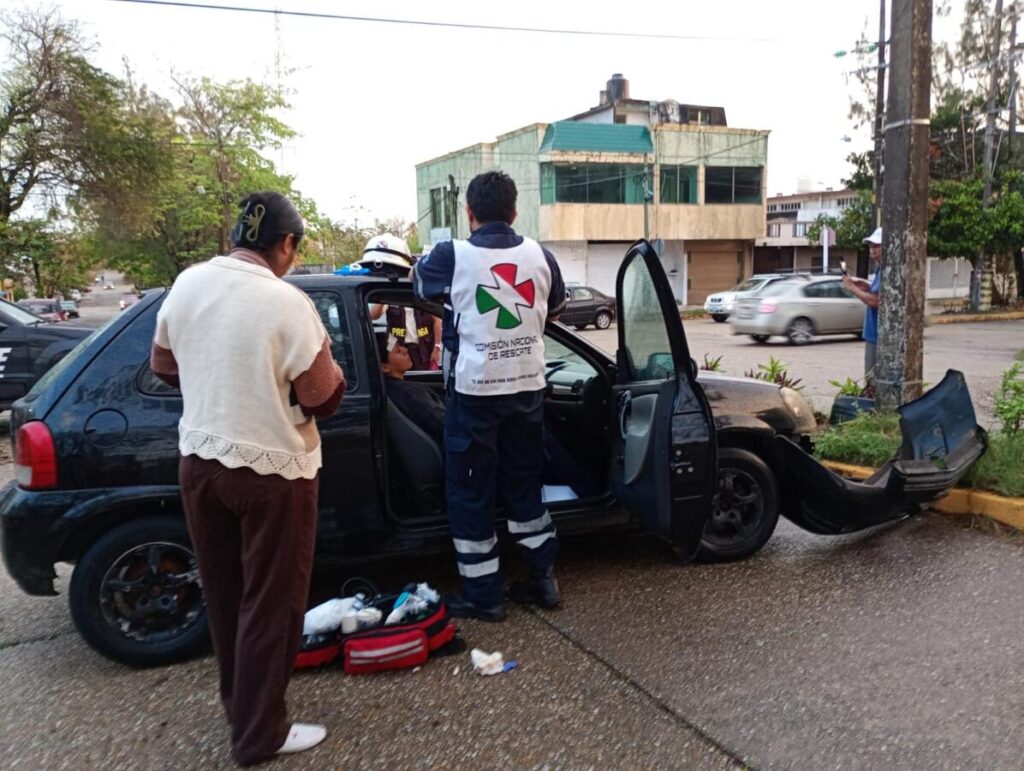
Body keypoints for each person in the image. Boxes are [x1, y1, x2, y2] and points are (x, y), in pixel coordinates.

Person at [150, 192, 345, 765]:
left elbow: (164, 366)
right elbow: (319, 395)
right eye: (293, 248)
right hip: (273, 472)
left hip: (201, 462)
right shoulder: (286, 302)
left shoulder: (187, 284)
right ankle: (260, 735)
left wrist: (220, 386)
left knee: (227, 593)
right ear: (285, 244)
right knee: (272, 601)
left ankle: (241, 706)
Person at [412, 170, 566, 621]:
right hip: (528, 390)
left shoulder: (450, 255)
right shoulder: (541, 256)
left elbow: (418, 285)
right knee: (524, 486)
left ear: (469, 212)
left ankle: (483, 596)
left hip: (475, 393)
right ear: (515, 212)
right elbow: (553, 308)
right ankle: (542, 579)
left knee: (471, 492)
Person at [363, 234, 443, 371]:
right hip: (397, 350)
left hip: (422, 348)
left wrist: (437, 347)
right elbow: (374, 315)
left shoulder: (417, 289)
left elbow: (437, 319)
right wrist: (384, 294)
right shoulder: (389, 296)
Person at [844, 226, 883, 379]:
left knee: (872, 380)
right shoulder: (880, 269)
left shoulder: (888, 270)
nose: (872, 250)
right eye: (871, 246)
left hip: (878, 335)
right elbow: (876, 291)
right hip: (872, 333)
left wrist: (853, 288)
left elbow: (876, 301)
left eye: (877, 246)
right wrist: (865, 285)